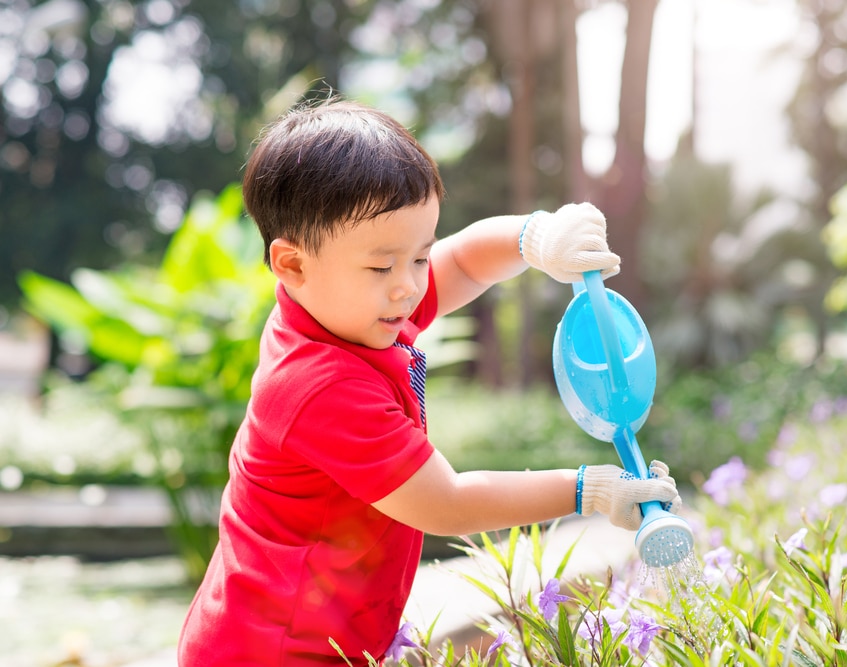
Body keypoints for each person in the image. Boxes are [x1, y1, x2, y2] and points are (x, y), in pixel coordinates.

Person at [177, 98, 681, 666]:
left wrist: (537, 237)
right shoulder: (318, 384)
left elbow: (462, 262)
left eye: (419, 257)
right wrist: (590, 489)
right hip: (270, 651)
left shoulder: (351, 310)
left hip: (323, 635)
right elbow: (448, 504)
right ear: (291, 265)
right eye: (382, 265)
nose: (410, 287)